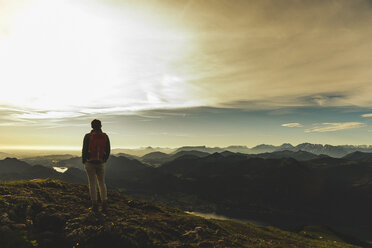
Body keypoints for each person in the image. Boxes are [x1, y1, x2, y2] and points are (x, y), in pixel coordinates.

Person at [82, 119, 110, 212]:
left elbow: (84, 149)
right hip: (100, 162)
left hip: (90, 162)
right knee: (102, 183)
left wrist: (84, 160)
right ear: (101, 126)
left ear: (91, 126)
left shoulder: (87, 136)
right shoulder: (105, 136)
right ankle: (104, 203)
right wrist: (104, 159)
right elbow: (108, 150)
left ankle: (94, 205)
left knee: (92, 183)